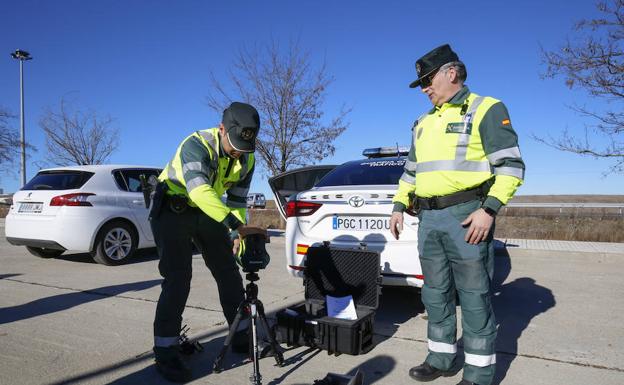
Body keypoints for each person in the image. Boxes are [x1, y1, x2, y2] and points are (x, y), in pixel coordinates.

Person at [390, 44, 525, 385]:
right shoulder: (422, 123)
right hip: (429, 219)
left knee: (474, 294)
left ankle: (479, 375)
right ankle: (442, 359)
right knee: (434, 293)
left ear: (451, 73)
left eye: (427, 79)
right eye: (421, 83)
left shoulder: (486, 109)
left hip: (468, 216)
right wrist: (398, 205)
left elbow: (511, 166)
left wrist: (488, 210)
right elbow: (411, 172)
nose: (424, 88)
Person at [150, 102, 261, 382]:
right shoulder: (196, 144)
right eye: (234, 144)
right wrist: (236, 225)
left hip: (208, 211)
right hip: (172, 209)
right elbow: (199, 191)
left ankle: (241, 334)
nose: (238, 152)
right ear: (222, 129)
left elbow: (236, 201)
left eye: (244, 147)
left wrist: (237, 234)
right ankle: (166, 353)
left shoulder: (247, 158)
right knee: (178, 278)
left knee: (227, 271)